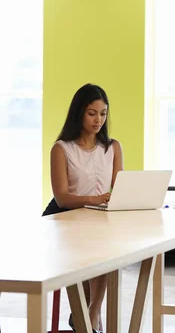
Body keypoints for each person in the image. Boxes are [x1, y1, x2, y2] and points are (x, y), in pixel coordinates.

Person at [48, 83, 123, 333]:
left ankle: (91, 314)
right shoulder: (62, 149)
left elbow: (119, 188)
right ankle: (89, 317)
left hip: (98, 221)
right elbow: (62, 198)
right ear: (79, 112)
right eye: (92, 113)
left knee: (109, 249)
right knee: (98, 250)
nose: (98, 120)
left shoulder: (112, 147)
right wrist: (95, 199)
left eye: (103, 113)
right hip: (67, 221)